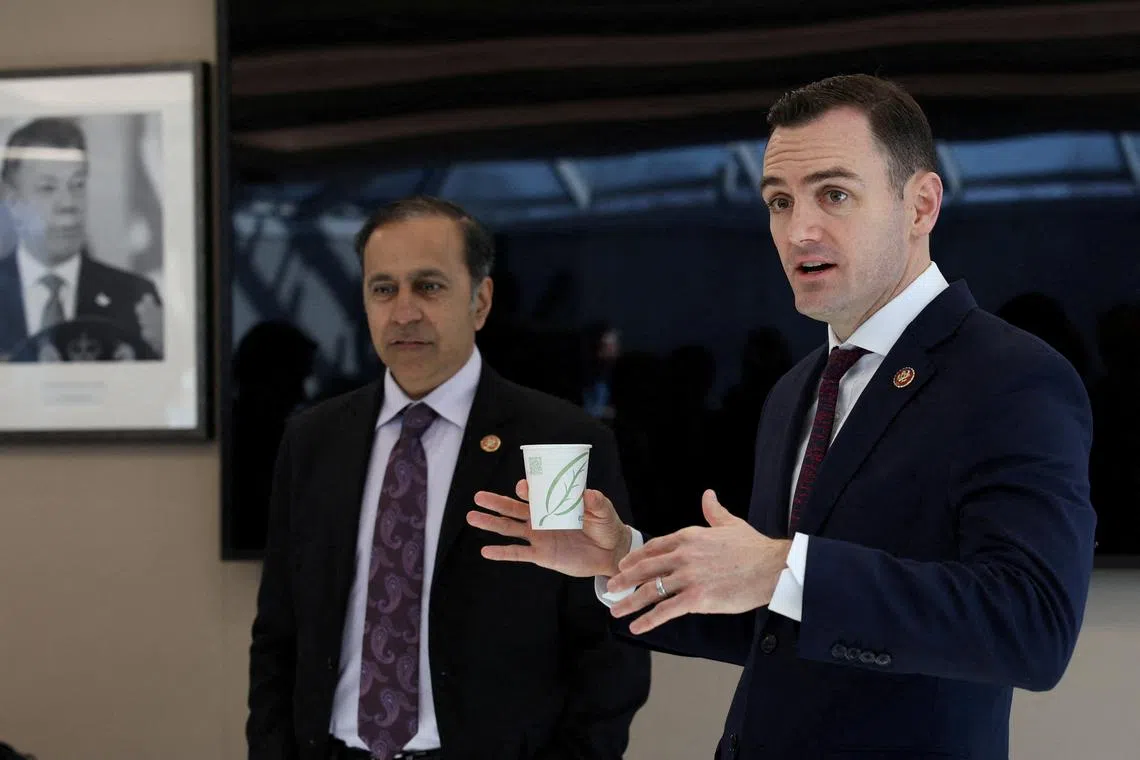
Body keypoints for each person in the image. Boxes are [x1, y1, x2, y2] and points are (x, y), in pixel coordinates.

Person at [468, 74, 1096, 759]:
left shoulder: (1011, 377)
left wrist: (781, 569)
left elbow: (1031, 627)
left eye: (834, 194)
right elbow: (774, 621)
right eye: (778, 200)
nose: (798, 230)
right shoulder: (796, 390)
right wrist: (623, 560)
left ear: (920, 206)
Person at [247, 196, 650, 760]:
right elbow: (278, 633)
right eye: (383, 289)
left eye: (429, 286)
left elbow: (604, 646)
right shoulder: (314, 440)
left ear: (480, 300)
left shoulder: (555, 443)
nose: (404, 311)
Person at [0, 117, 162, 361]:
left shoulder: (135, 298)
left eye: (77, 185)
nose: (68, 204)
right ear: (13, 202)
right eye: (47, 188)